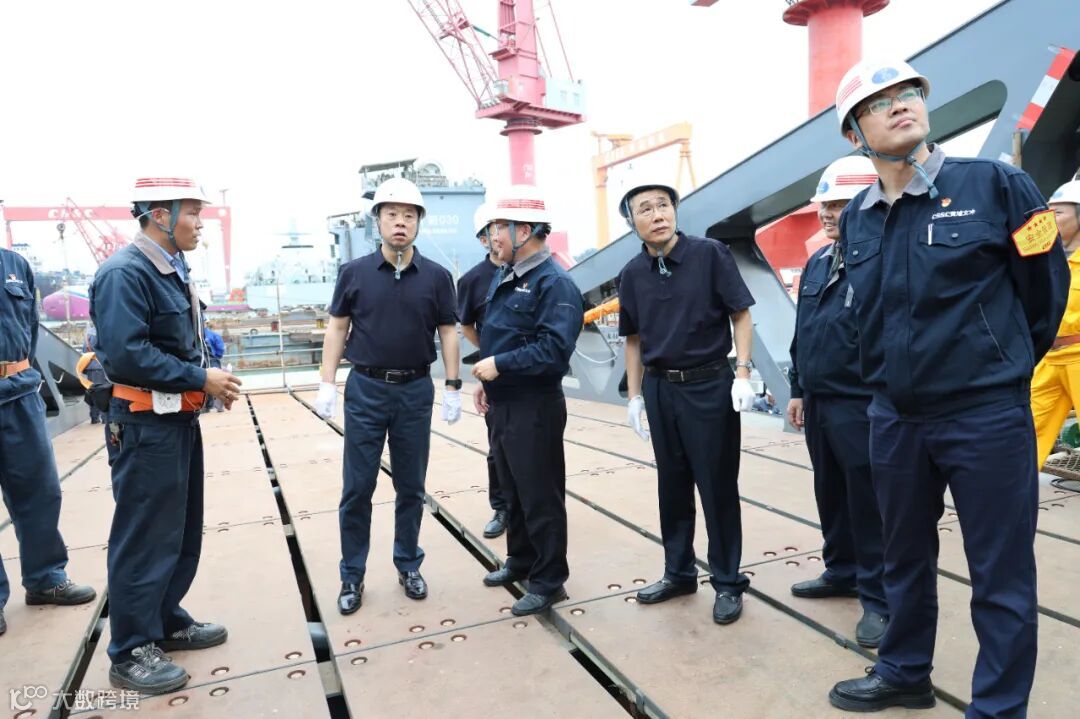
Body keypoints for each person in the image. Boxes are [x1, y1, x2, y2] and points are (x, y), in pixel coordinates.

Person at [827, 60, 1069, 715]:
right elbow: (868, 315)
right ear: (854, 134)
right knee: (902, 556)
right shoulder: (858, 219)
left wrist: (998, 368)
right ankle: (904, 671)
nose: (901, 104)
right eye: (880, 103)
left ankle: (997, 708)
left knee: (1000, 570)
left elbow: (1045, 290)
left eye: (909, 92)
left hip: (985, 414)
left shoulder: (998, 185)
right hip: (895, 418)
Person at [90, 177, 242, 694]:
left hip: (174, 420)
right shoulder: (125, 273)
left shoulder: (171, 270)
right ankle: (130, 650)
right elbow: (127, 355)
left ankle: (164, 620)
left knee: (179, 529)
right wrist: (200, 377)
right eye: (193, 213)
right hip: (142, 424)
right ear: (160, 215)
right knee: (144, 536)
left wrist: (203, 382)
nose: (200, 224)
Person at [314, 177, 461, 615]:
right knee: (357, 487)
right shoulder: (354, 273)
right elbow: (337, 328)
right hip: (366, 389)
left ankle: (408, 563)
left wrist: (453, 385)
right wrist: (327, 382)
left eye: (409, 215)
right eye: (392, 214)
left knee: (411, 485)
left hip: (415, 390)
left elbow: (448, 332)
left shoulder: (437, 277)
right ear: (377, 220)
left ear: (418, 223)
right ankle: (352, 574)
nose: (401, 222)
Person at [618, 175, 757, 625]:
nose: (657, 215)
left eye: (663, 205)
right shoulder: (631, 274)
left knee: (717, 486)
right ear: (632, 222)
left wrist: (742, 372)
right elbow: (633, 339)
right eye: (645, 209)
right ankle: (678, 572)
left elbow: (741, 314)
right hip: (660, 388)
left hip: (709, 383)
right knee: (672, 485)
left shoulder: (709, 254)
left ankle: (728, 581)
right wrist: (635, 396)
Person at [786, 155, 888, 649]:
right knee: (830, 491)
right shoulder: (819, 261)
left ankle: (880, 597)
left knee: (870, 502)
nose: (827, 213)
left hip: (863, 401)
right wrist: (797, 388)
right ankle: (842, 570)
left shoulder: (883, 260)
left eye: (840, 204)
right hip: (821, 402)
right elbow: (803, 330)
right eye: (825, 205)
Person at [473, 185, 583, 616]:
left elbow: (554, 352)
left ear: (525, 230)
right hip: (504, 402)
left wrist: (499, 364)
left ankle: (550, 581)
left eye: (498, 227)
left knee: (540, 494)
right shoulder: (508, 274)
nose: (491, 236)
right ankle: (520, 560)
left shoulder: (554, 284)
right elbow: (502, 334)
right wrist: (490, 380)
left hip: (535, 405)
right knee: (513, 490)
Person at [0, 246, 96, 639]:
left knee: (40, 492)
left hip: (18, 392)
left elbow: (29, 326)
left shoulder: (14, 265)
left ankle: (45, 578)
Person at [457, 201, 508, 539]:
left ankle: (539, 506)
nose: (501, 235)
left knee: (541, 446)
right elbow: (466, 326)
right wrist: (489, 353)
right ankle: (502, 507)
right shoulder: (472, 280)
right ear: (483, 239)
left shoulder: (532, 272)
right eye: (494, 229)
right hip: (496, 376)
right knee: (498, 446)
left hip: (533, 372)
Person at [1031, 179, 1080, 467]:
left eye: (1058, 212)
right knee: (1027, 432)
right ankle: (1014, 491)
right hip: (1049, 358)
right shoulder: (1046, 258)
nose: (1049, 218)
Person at [203, 320, 226, 412]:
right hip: (213, 361)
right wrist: (216, 357)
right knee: (217, 383)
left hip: (200, 362)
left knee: (204, 383)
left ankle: (207, 406)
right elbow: (220, 349)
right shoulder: (214, 335)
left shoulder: (194, 335)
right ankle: (219, 406)